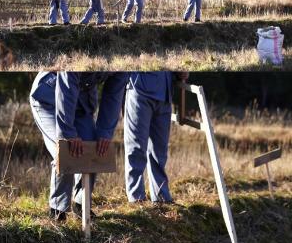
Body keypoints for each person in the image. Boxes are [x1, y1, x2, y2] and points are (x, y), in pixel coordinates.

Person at [30, 72, 127, 220]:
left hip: (82, 104)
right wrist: (67, 132)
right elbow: (66, 87)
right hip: (49, 98)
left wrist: (105, 132)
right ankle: (57, 211)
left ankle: (81, 204)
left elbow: (114, 94)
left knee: (94, 149)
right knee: (65, 150)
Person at [123, 72, 187, 203]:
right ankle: (136, 199)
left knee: (159, 153)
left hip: (164, 94)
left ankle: (161, 197)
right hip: (140, 90)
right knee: (136, 148)